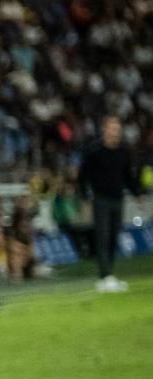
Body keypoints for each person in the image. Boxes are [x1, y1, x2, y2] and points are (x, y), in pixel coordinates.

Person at [80, 116, 140, 292]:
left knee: (113, 237)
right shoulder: (94, 151)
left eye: (117, 128)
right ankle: (105, 275)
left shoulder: (123, 152)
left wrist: (137, 193)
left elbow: (128, 176)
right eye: (112, 128)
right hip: (101, 199)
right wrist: (84, 194)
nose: (115, 131)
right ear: (104, 129)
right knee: (103, 237)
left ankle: (108, 275)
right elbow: (83, 175)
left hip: (118, 199)